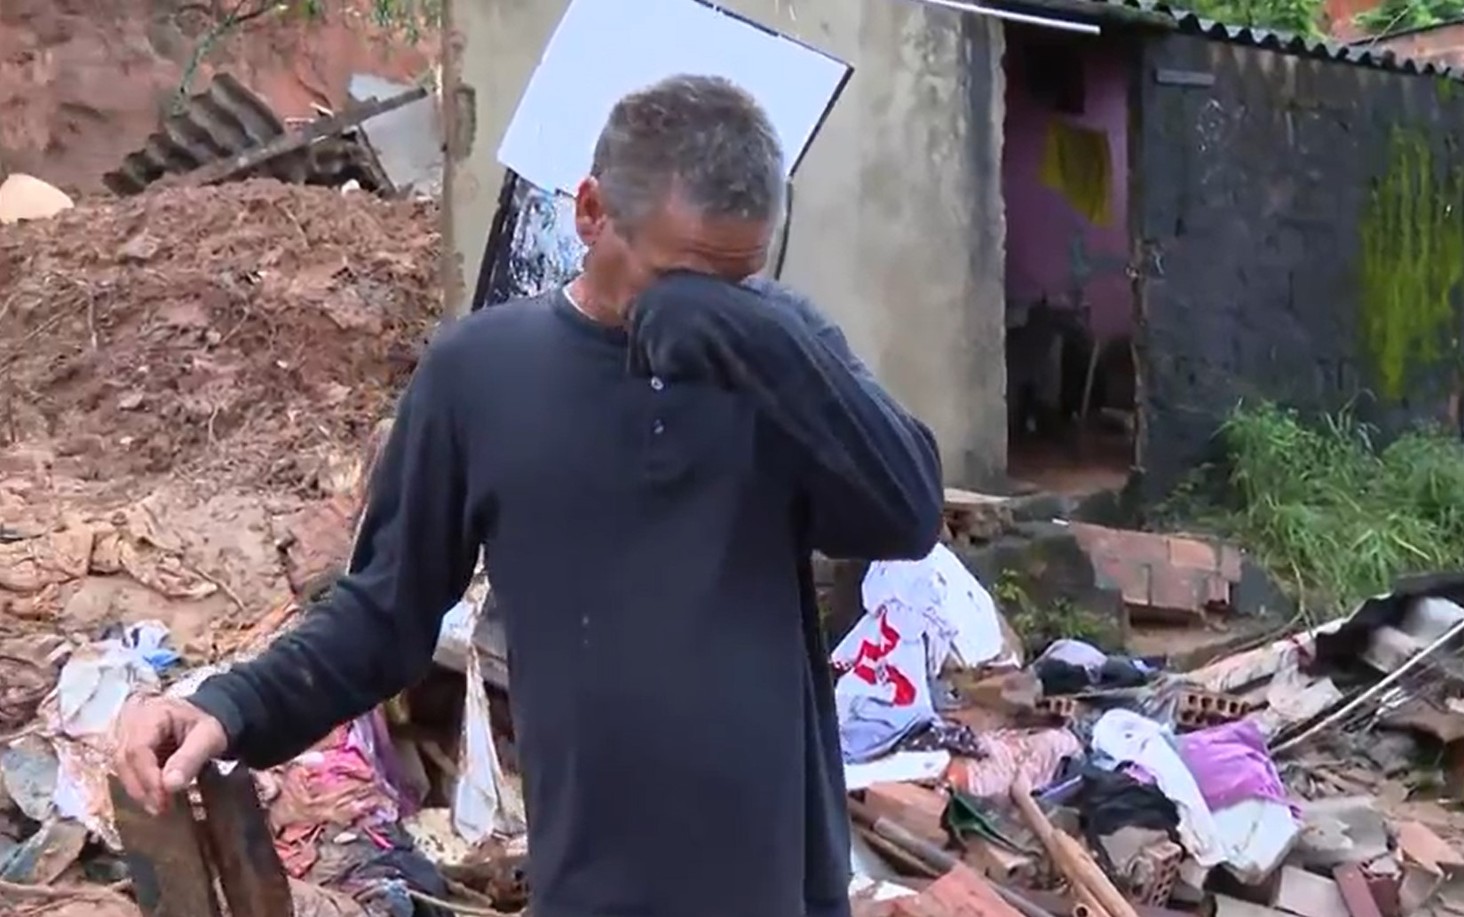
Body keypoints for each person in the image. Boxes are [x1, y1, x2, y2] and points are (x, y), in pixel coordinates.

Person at [112, 74, 944, 917]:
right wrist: (228, 705)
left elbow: (905, 512)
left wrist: (766, 333)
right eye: (681, 282)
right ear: (591, 213)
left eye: (736, 286)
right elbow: (383, 614)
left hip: (775, 890)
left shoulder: (781, 362)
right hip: (590, 887)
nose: (707, 314)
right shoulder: (482, 376)